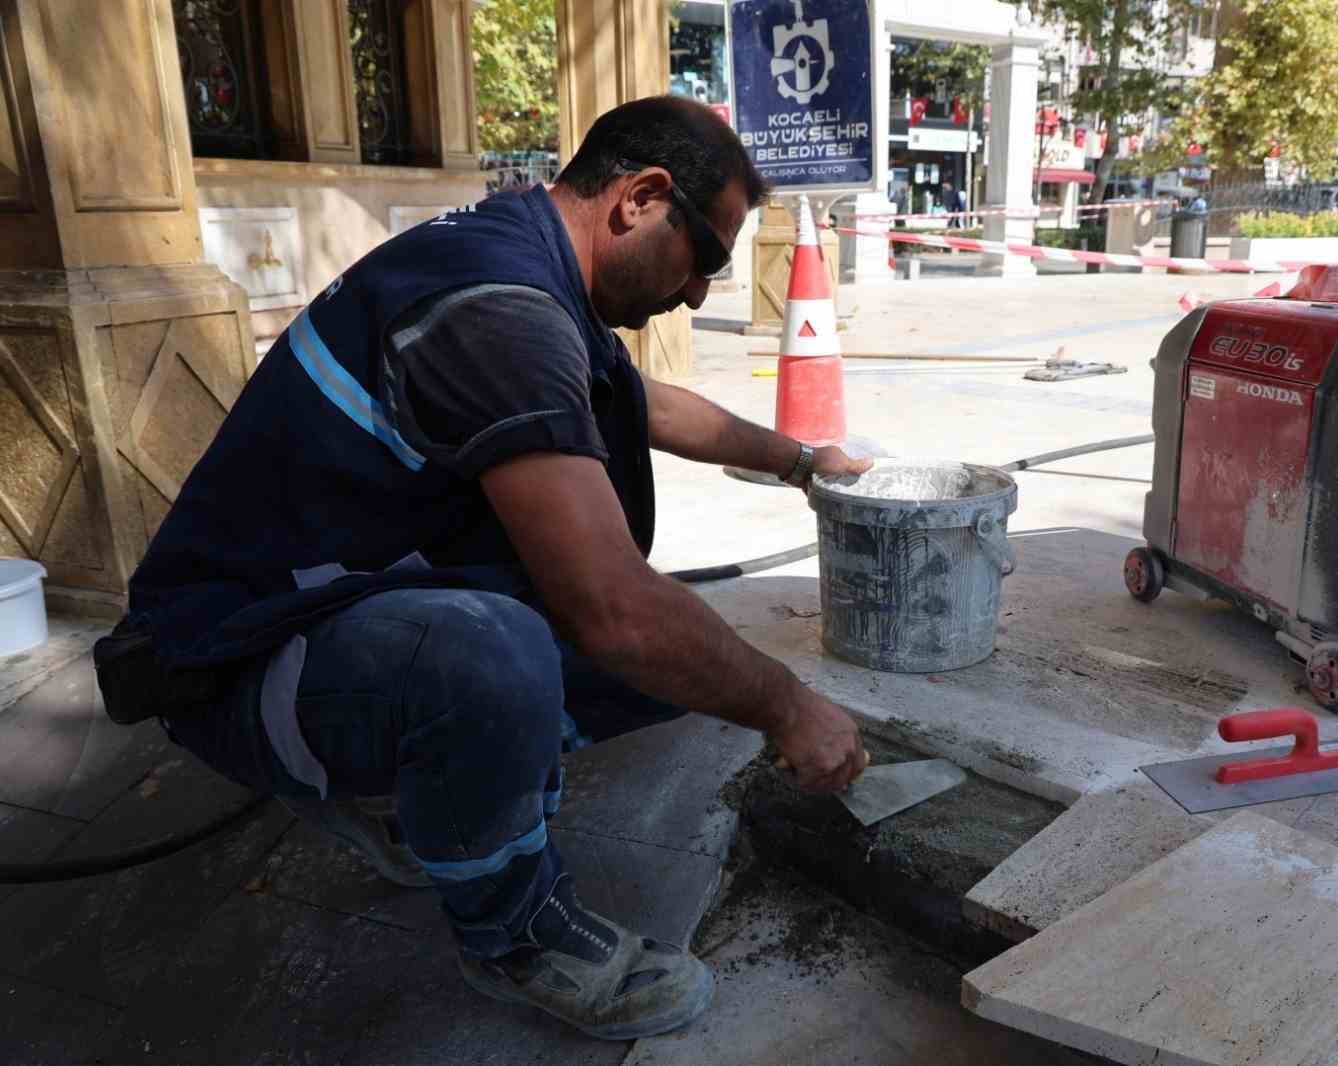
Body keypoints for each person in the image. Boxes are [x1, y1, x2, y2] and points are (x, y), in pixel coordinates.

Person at [95, 96, 872, 1041]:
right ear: (639, 198)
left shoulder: (531, 259)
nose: (701, 293)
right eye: (706, 257)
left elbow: (647, 405)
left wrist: (800, 461)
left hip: (334, 607)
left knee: (685, 663)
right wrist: (789, 705)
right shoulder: (493, 307)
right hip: (225, 656)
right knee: (506, 652)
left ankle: (421, 790)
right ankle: (513, 932)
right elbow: (613, 610)